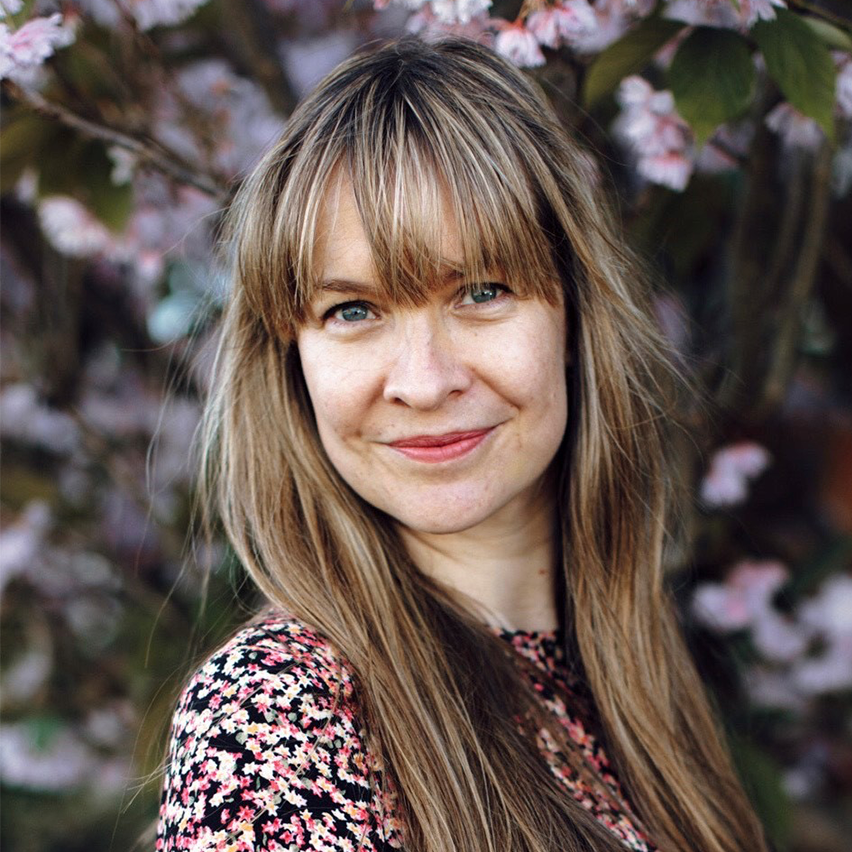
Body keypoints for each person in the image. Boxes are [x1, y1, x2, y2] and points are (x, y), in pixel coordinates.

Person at [155, 35, 770, 852]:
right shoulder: (278, 720)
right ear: (292, 359)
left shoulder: (631, 680)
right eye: (353, 310)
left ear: (574, 317)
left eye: (481, 291)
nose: (424, 382)